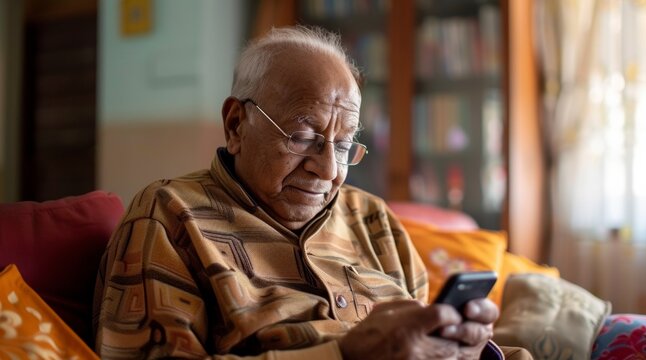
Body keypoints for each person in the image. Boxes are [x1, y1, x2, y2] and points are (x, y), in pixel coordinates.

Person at [93, 26, 532, 360]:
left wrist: (466, 347)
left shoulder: (371, 218)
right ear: (236, 126)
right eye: (302, 137)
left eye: (343, 146)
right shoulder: (169, 214)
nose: (329, 170)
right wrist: (343, 354)